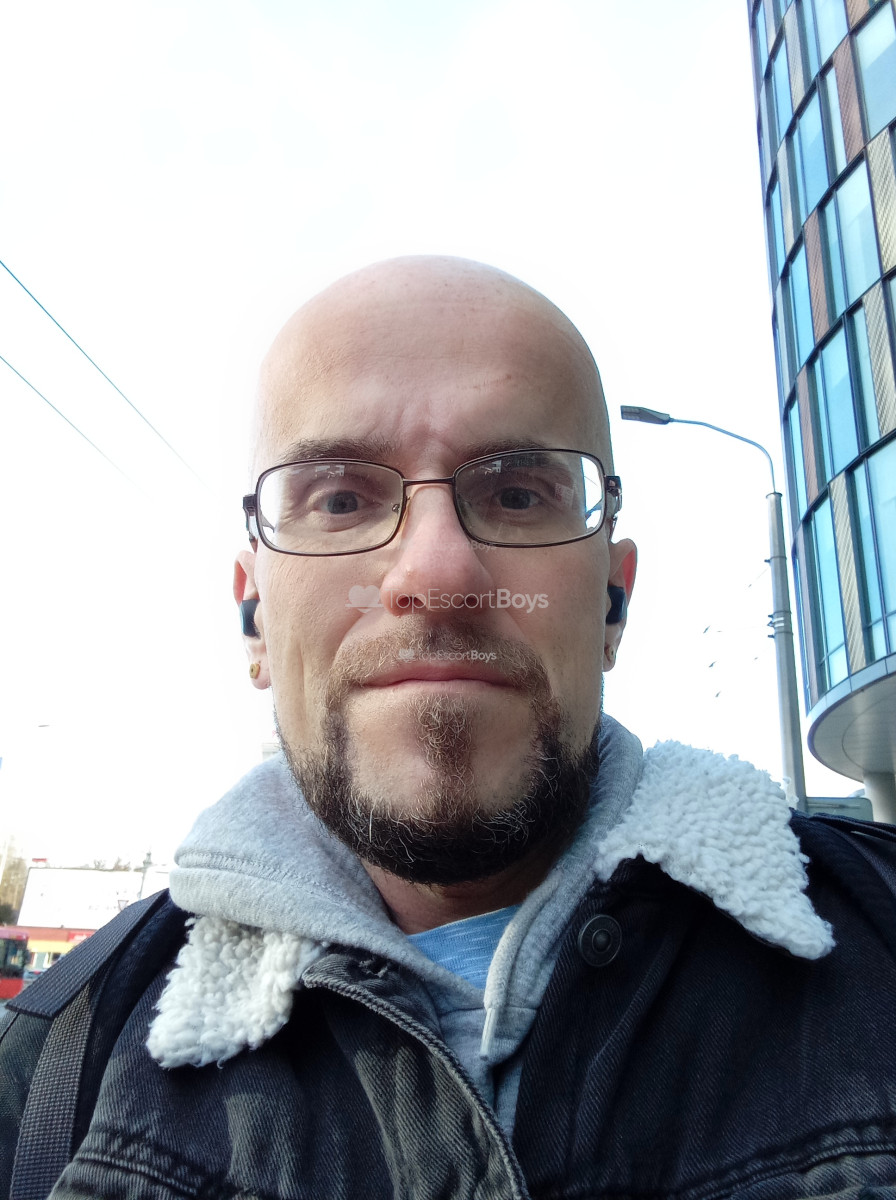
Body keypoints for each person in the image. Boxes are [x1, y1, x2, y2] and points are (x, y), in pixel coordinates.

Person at [3, 256, 896, 1200]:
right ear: (253, 616)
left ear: (613, 603)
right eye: (340, 499)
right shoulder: (58, 1065)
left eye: (516, 493)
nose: (435, 573)